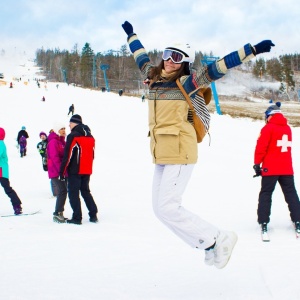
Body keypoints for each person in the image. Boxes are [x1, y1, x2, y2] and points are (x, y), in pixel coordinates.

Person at [121, 20, 275, 269]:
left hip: (181, 149)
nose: (170, 60)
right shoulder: (153, 77)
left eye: (177, 57)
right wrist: (131, 35)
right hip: (161, 151)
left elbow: (218, 68)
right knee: (160, 210)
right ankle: (208, 243)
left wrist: (251, 50)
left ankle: (217, 239)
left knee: (168, 207)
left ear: (184, 62)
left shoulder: (187, 83)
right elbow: (139, 55)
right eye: (167, 54)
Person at [253, 102, 300, 234]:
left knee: (266, 194)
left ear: (269, 116)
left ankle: (263, 221)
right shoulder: (287, 128)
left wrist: (257, 164)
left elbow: (261, 147)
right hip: (286, 169)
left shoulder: (268, 128)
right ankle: (298, 220)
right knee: (291, 194)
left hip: (270, 169)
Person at [60, 114, 98, 225]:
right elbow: (92, 154)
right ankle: (93, 214)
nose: (69, 125)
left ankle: (77, 218)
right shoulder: (90, 136)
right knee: (85, 191)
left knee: (73, 193)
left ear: (75, 123)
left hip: (75, 170)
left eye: (70, 123)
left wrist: (62, 172)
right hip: (87, 169)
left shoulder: (73, 136)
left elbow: (68, 155)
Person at [47, 123, 68, 223]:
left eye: (64, 128)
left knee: (63, 191)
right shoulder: (53, 142)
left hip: (61, 172)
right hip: (56, 172)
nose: (63, 130)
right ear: (56, 130)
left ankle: (59, 213)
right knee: (62, 191)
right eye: (61, 129)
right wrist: (61, 171)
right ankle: (57, 213)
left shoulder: (62, 142)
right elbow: (55, 158)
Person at [0, 127, 23, 215]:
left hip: (2, 171)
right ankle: (17, 205)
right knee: (7, 188)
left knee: (7, 189)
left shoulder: (1, 143)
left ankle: (17, 206)